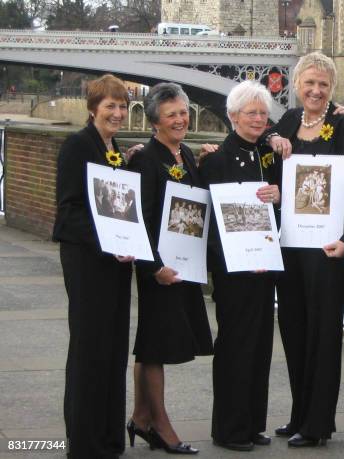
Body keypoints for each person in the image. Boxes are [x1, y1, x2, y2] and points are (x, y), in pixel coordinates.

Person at [265, 51, 344, 447]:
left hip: (326, 249)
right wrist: (271, 141)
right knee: (293, 330)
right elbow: (265, 165)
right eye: (309, 83)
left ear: (332, 88)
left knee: (323, 336)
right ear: (297, 86)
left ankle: (318, 424)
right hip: (290, 246)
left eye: (323, 84)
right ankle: (298, 414)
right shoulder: (286, 122)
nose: (316, 90)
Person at [127, 82, 213, 455]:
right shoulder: (146, 158)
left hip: (184, 266)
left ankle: (141, 418)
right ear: (154, 120)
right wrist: (154, 267)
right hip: (161, 270)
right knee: (155, 346)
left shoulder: (186, 154)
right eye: (172, 114)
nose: (180, 119)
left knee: (150, 346)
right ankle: (161, 427)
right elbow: (141, 219)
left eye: (183, 112)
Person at [53, 74, 134, 459]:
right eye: (110, 107)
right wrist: (111, 242)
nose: (117, 113)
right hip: (87, 262)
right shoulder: (77, 145)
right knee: (90, 348)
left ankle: (108, 437)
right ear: (92, 109)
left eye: (122, 106)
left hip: (114, 262)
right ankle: (85, 443)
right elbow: (69, 212)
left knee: (114, 348)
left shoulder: (110, 146)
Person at [198, 80, 281, 452]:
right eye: (251, 113)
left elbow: (280, 211)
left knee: (261, 346)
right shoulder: (215, 160)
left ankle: (251, 423)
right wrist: (232, 261)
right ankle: (229, 429)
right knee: (235, 347)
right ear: (233, 117)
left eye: (263, 113)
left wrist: (278, 195)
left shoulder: (269, 157)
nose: (259, 119)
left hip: (265, 268)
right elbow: (209, 223)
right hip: (233, 273)